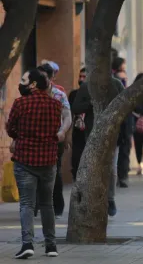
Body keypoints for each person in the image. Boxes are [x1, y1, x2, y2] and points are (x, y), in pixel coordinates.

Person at [7, 69, 62, 259]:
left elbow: (10, 127)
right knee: (48, 204)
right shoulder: (56, 105)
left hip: (25, 161)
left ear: (33, 84)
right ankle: (51, 246)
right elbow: (56, 129)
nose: (21, 83)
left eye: (24, 80)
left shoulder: (20, 104)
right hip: (48, 161)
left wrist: (18, 137)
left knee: (27, 204)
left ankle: (27, 243)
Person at [72, 74, 126, 216]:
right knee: (92, 168)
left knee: (112, 169)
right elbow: (76, 107)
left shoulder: (116, 84)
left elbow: (126, 105)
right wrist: (91, 103)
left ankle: (110, 199)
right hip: (92, 135)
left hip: (113, 134)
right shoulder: (86, 86)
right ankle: (91, 200)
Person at [37, 63, 72, 219]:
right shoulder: (29, 95)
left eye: (43, 76)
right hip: (34, 139)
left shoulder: (59, 95)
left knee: (54, 172)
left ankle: (57, 206)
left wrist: (63, 132)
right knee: (34, 172)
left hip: (54, 139)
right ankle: (37, 204)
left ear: (51, 78)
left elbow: (67, 116)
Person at [68, 68, 87, 181]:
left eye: (84, 77)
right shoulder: (74, 94)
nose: (81, 79)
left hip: (91, 132)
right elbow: (69, 113)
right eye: (80, 76)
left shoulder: (96, 96)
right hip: (77, 133)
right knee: (76, 159)